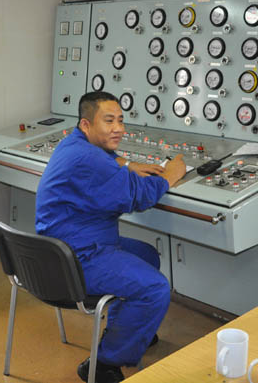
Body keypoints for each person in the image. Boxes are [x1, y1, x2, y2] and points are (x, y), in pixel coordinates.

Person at [36, 91, 187, 383]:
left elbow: (104, 157)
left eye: (120, 120)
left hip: (65, 246)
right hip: (79, 256)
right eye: (108, 121)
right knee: (155, 288)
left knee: (147, 255)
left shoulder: (73, 143)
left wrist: (126, 164)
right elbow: (140, 196)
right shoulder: (88, 159)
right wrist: (171, 174)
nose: (118, 128)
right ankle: (103, 363)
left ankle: (130, 329)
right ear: (86, 124)